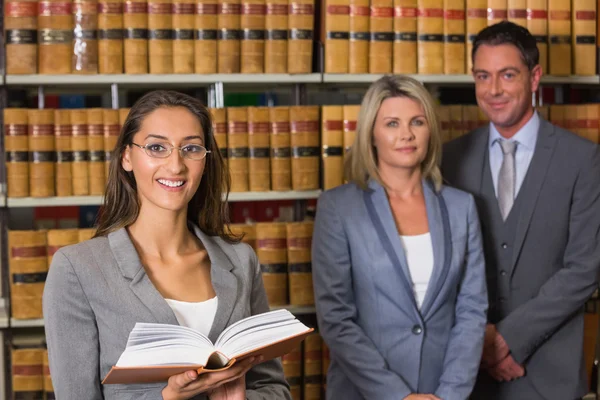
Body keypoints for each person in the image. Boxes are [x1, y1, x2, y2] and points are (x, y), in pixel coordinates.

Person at [42, 90, 292, 400]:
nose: (176, 165)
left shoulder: (241, 261)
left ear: (205, 160)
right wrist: (169, 398)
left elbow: (274, 389)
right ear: (127, 157)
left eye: (191, 148)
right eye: (157, 147)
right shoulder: (78, 269)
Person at [442, 21, 600, 400]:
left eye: (507, 75)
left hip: (549, 375)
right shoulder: (450, 159)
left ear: (534, 78)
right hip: (467, 375)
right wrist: (478, 343)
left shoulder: (582, 159)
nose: (493, 90)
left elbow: (584, 269)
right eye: (483, 76)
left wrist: (507, 339)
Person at [311, 74, 488, 400]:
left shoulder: (461, 207)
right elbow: (336, 319)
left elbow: (472, 312)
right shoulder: (338, 208)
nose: (406, 134)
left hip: (442, 391)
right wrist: (398, 396)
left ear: (430, 130)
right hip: (365, 392)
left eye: (417, 122)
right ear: (372, 134)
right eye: (392, 123)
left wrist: (449, 394)